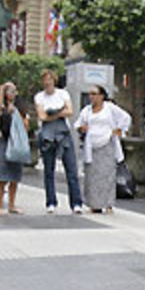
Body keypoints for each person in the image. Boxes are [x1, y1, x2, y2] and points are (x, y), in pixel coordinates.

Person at [34, 69, 84, 214]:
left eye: (49, 79)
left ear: (54, 80)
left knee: (71, 169)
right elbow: (42, 116)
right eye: (44, 79)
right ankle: (51, 202)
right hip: (47, 135)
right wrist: (58, 113)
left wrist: (52, 113)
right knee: (48, 170)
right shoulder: (39, 96)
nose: (47, 82)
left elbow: (70, 111)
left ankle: (76, 203)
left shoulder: (63, 93)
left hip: (64, 133)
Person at [75, 86, 130, 214]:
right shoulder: (87, 110)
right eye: (90, 94)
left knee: (107, 175)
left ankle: (108, 203)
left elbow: (125, 117)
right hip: (92, 145)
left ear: (101, 96)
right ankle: (94, 204)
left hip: (106, 143)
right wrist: (82, 128)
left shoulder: (109, 108)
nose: (92, 97)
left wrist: (118, 130)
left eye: (94, 94)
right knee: (92, 176)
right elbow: (78, 124)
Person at [0, 82, 28, 216]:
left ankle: (12, 204)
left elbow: (26, 124)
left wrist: (17, 114)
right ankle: (0, 205)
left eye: (13, 90)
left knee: (15, 176)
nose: (11, 93)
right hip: (5, 140)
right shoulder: (1, 107)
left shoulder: (21, 107)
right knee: (2, 174)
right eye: (9, 91)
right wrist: (1, 89)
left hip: (17, 142)